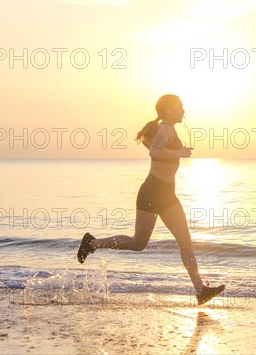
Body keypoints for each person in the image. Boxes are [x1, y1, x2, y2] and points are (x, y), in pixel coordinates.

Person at [77, 94, 225, 305]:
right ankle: (91, 243)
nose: (184, 110)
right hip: (153, 191)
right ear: (168, 110)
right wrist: (179, 152)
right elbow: (155, 152)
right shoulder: (165, 128)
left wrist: (171, 150)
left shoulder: (166, 129)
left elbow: (150, 144)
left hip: (166, 193)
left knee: (182, 242)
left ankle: (201, 290)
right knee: (140, 243)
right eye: (180, 107)